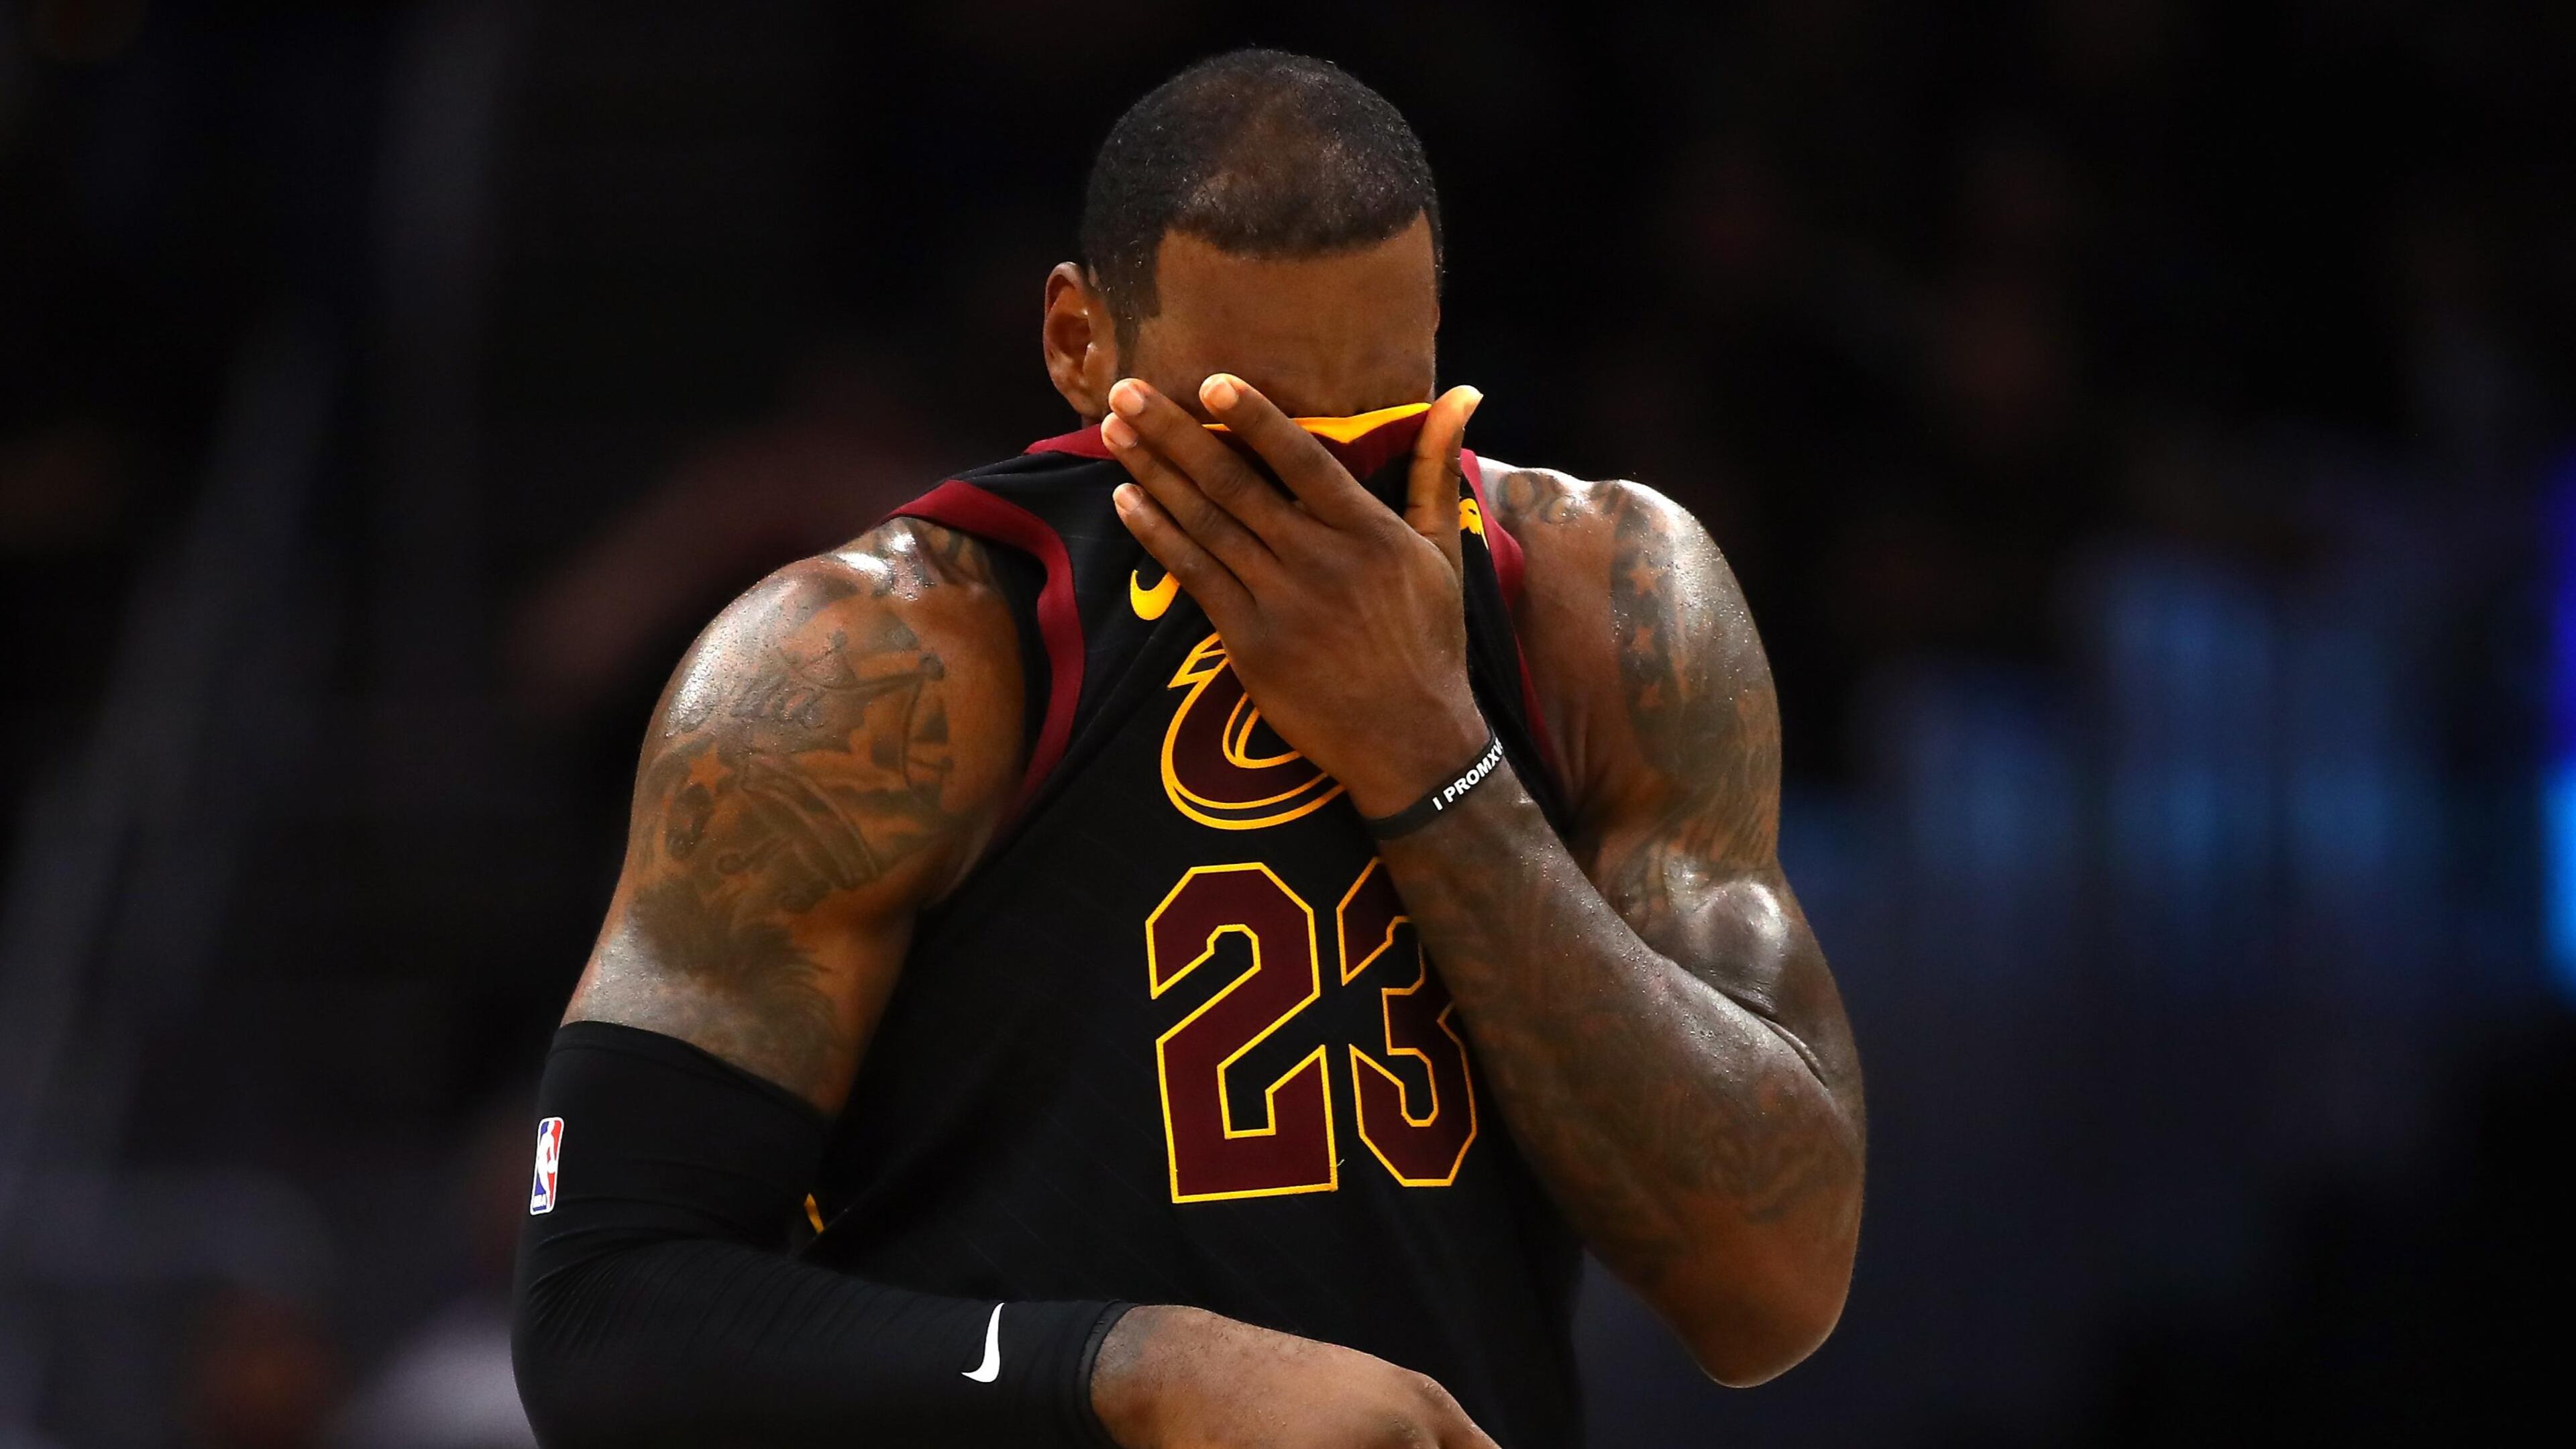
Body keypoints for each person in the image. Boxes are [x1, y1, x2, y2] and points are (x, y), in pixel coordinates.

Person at [511, 48, 1864, 1449]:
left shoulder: (1596, 603)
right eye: (1247, 435)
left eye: (1383, 426)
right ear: (1081, 345)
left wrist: (1432, 757)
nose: (1323, 504)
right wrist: (1122, 1369)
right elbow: (604, 1322)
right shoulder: (874, 665)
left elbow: (1771, 1288)